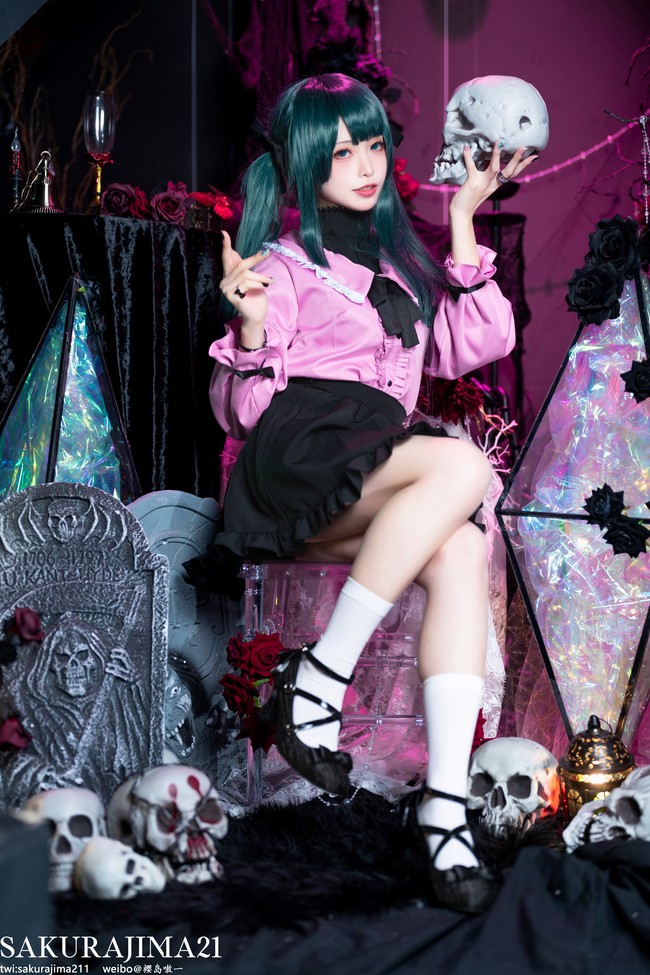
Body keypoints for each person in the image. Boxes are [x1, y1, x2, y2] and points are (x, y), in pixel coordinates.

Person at [200, 73, 537, 912]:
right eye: (341, 150)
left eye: (374, 145)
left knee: (461, 543)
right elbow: (240, 414)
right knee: (464, 468)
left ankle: (444, 809)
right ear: (304, 164)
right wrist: (251, 324)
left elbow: (476, 343)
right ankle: (320, 680)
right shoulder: (281, 266)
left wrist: (463, 219)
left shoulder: (401, 266)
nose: (364, 164)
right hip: (298, 463)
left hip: (371, 468)